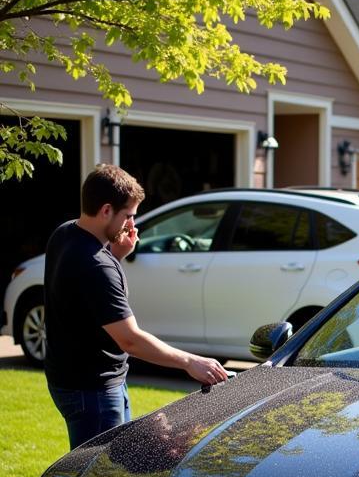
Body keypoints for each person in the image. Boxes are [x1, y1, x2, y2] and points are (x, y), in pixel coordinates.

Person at [44, 163, 228, 449]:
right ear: (106, 210)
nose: (131, 224)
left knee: (104, 470)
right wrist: (190, 362)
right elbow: (130, 339)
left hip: (74, 380)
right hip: (93, 391)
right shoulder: (96, 265)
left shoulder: (65, 234)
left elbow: (85, 299)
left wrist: (116, 254)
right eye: (128, 216)